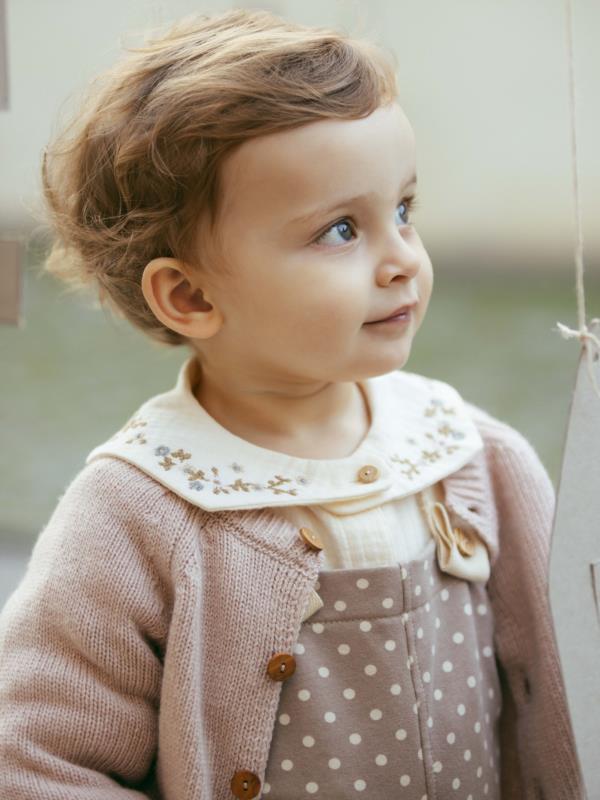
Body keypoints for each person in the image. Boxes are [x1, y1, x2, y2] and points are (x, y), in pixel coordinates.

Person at [0, 8, 584, 800]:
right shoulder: (139, 511)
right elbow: (34, 760)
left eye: (404, 210)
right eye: (341, 230)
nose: (402, 261)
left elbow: (568, 697)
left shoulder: (471, 460)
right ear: (190, 295)